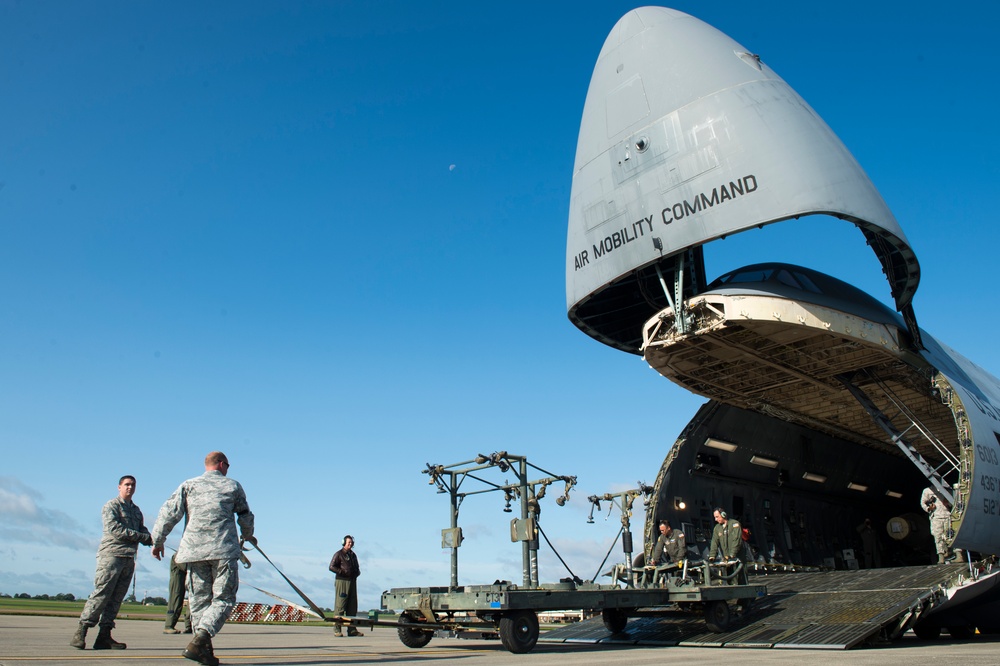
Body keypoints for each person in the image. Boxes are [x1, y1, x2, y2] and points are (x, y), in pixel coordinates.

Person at [151, 452, 255, 666]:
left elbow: (169, 512)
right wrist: (247, 534)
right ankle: (202, 637)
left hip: (194, 552)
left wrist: (158, 540)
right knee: (224, 599)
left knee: (198, 601)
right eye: (227, 465)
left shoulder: (188, 485)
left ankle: (203, 650)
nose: (228, 469)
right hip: (222, 550)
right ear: (220, 464)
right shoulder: (232, 486)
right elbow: (244, 514)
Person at [70, 475, 153, 650]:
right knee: (101, 594)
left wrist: (152, 538)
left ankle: (104, 635)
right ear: (119, 487)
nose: (130, 488)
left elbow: (142, 529)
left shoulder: (136, 511)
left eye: (133, 485)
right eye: (127, 485)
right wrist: (142, 537)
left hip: (129, 558)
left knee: (116, 599)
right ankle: (81, 631)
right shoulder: (111, 506)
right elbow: (115, 529)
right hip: (111, 556)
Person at [328, 535, 363, 637]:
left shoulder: (353, 555)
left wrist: (357, 573)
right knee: (340, 605)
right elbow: (331, 567)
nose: (350, 544)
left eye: (351, 543)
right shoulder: (339, 554)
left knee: (352, 606)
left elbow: (357, 567)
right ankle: (337, 629)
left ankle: (351, 629)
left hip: (352, 581)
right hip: (342, 581)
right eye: (348, 542)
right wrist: (342, 572)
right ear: (343, 543)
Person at [921, 487, 961, 564]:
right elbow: (922, 503)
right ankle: (941, 557)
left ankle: (958, 555)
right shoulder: (927, 491)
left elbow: (956, 501)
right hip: (936, 517)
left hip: (947, 516)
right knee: (938, 537)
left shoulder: (946, 489)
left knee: (952, 534)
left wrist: (949, 502)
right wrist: (928, 508)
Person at [708, 507, 747, 584]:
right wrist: (712, 556)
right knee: (730, 580)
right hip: (727, 560)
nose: (715, 519)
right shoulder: (717, 528)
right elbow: (714, 542)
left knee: (741, 580)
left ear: (723, 515)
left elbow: (737, 540)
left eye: (717, 517)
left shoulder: (735, 524)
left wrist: (732, 554)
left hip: (738, 559)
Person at [164, 553, 193, 634]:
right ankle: (169, 625)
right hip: (178, 576)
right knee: (176, 599)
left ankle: (190, 626)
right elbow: (184, 565)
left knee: (194, 599)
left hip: (189, 575)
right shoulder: (178, 555)